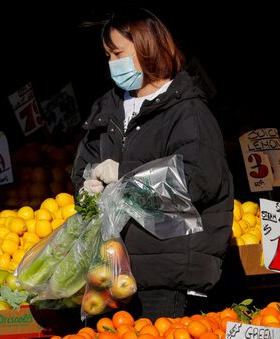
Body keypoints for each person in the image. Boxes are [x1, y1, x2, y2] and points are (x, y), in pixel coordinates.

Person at [71, 7, 234, 320]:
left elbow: (198, 179)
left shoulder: (187, 111)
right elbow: (84, 164)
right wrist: (86, 183)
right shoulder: (109, 107)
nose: (111, 63)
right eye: (107, 55)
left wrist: (126, 173)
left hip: (166, 276)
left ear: (146, 48)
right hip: (113, 274)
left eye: (117, 53)